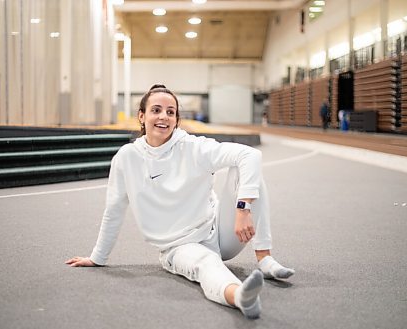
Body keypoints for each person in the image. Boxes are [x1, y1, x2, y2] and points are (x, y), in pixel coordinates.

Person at [65, 84, 294, 319]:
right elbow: (113, 211)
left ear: (176, 119)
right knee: (206, 264)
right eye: (156, 110)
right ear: (141, 116)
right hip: (179, 246)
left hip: (222, 233)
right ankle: (239, 296)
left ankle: (264, 258)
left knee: (247, 172)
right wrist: (97, 257)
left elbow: (250, 155)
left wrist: (243, 209)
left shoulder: (192, 147)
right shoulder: (126, 158)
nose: (164, 116)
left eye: (170, 112)